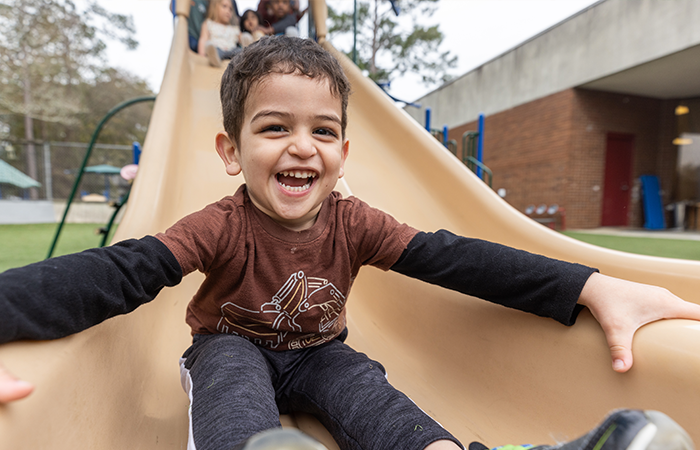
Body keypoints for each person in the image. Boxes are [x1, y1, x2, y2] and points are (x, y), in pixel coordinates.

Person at [1, 37, 699, 450]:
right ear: (231, 150)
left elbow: (457, 259)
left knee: (368, 392)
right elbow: (120, 273)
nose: (301, 146)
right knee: (232, 382)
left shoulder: (355, 221)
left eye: (323, 131)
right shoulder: (220, 225)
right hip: (230, 345)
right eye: (274, 128)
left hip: (319, 354)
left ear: (342, 149)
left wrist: (588, 286)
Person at [198, 0, 245, 67]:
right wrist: (202, 55)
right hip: (217, 49)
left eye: (230, 9)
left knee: (240, 52)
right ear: (215, 7)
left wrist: (246, 39)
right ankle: (214, 59)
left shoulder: (233, 28)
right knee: (212, 49)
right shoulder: (208, 24)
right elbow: (203, 39)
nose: (228, 11)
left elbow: (242, 38)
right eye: (224, 6)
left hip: (232, 50)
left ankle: (247, 54)